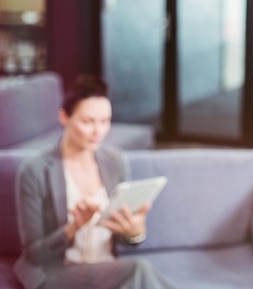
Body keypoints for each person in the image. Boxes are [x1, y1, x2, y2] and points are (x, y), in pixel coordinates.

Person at [13, 74, 178, 289]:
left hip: (105, 268)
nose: (98, 131)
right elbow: (34, 255)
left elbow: (123, 241)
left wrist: (134, 232)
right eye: (87, 121)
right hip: (58, 271)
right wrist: (72, 228)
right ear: (64, 117)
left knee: (135, 276)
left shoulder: (114, 161)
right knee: (138, 270)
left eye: (105, 121)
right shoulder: (35, 171)